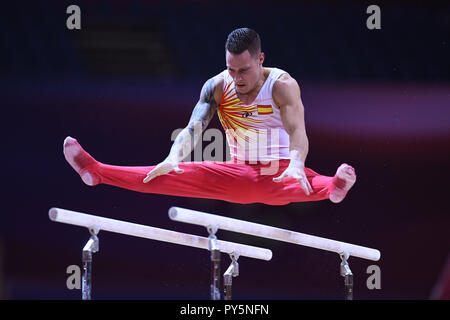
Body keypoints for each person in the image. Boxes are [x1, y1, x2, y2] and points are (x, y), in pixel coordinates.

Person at [63, 28, 356, 206]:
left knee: (306, 181)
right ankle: (96, 171)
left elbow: (297, 132)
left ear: (260, 59)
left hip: (278, 172)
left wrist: (295, 164)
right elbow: (194, 127)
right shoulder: (217, 86)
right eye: (231, 69)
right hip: (238, 173)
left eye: (244, 70)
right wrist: (174, 156)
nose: (237, 77)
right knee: (169, 171)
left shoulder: (281, 85)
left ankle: (333, 187)